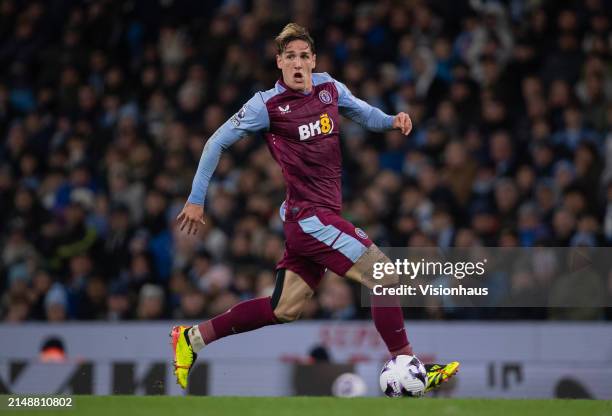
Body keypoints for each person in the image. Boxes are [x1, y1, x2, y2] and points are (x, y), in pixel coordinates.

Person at [171, 23, 459, 391]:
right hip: (308, 217)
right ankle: (408, 363)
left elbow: (363, 113)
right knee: (383, 274)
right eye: (289, 56)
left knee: (284, 309)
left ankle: (194, 338)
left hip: (315, 216)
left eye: (303, 56)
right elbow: (215, 143)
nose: (297, 63)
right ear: (278, 62)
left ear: (313, 60)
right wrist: (196, 198)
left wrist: (391, 120)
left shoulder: (328, 88)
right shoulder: (266, 105)